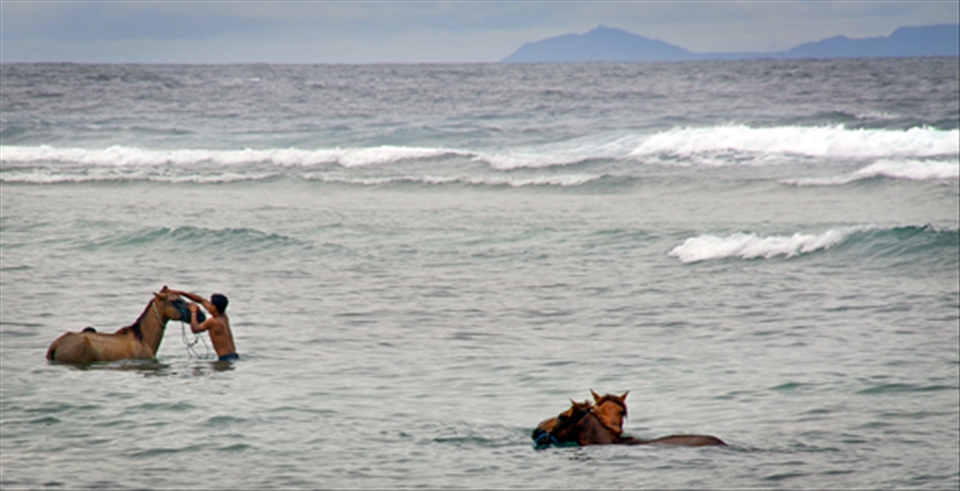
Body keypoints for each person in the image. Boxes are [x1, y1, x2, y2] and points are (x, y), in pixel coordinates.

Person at [171, 289, 238, 361]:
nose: (209, 305)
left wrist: (193, 312)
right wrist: (181, 293)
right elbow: (201, 300)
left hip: (225, 358)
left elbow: (195, 329)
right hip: (234, 355)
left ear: (214, 307)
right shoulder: (224, 317)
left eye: (211, 304)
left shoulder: (213, 322)